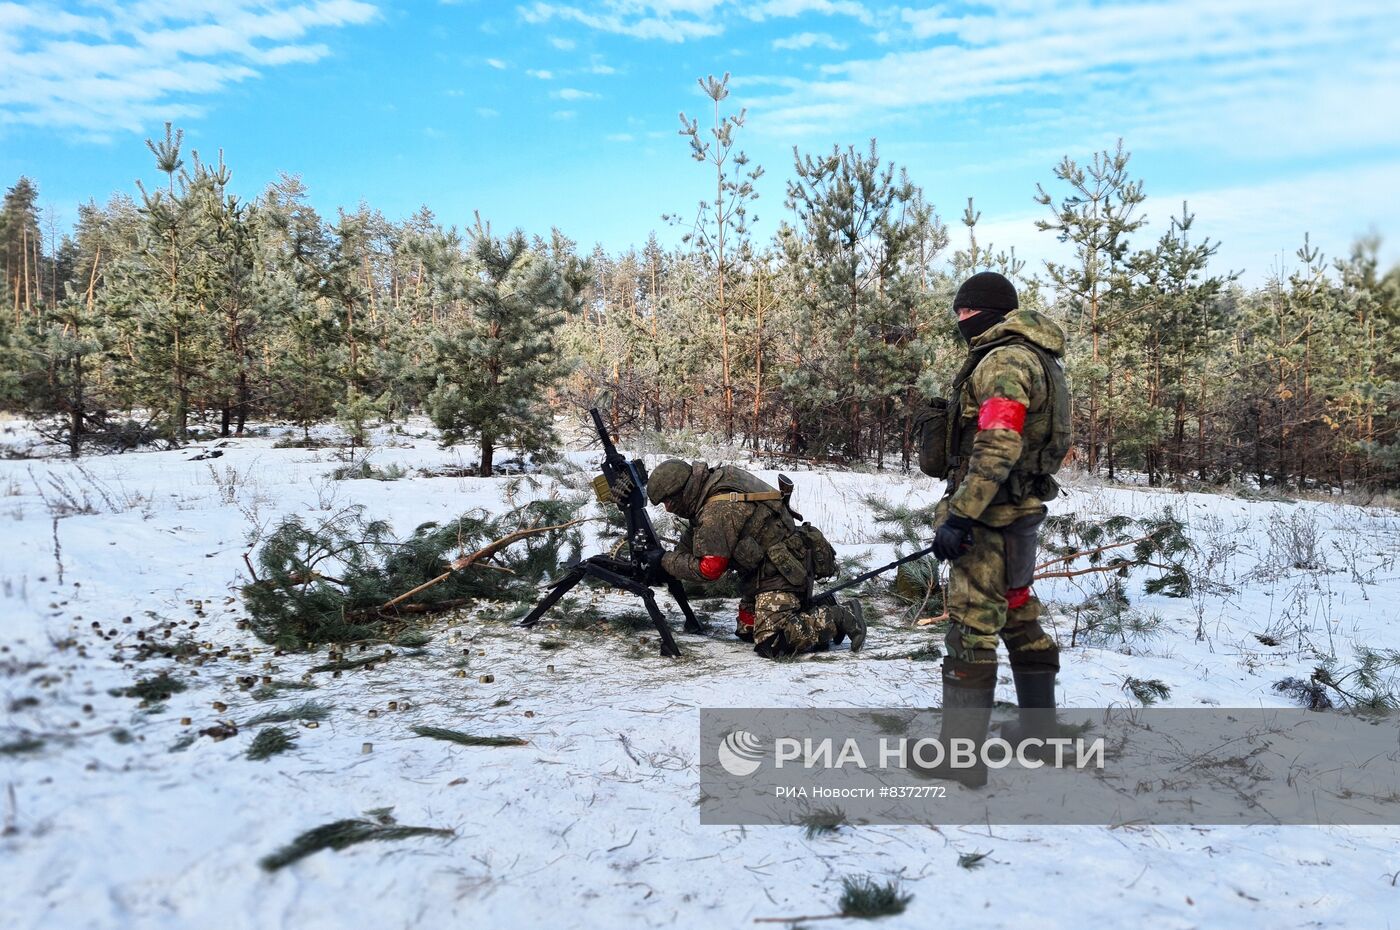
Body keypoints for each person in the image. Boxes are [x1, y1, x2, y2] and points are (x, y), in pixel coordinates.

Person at [917, 271, 1072, 786]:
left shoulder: (1005, 359)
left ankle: (959, 760)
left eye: (965, 311)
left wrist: (962, 513)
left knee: (971, 625)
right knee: (1019, 612)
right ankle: (1040, 737)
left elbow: (1000, 441)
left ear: (987, 311)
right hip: (1021, 511)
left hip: (990, 519)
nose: (960, 320)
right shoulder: (1042, 357)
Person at [642, 459, 865, 658]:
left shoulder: (717, 511)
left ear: (683, 491)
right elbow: (693, 538)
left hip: (782, 571)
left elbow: (709, 569)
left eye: (669, 502)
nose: (669, 509)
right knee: (747, 628)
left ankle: (840, 617)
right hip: (767, 568)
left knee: (771, 641)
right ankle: (815, 607)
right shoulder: (716, 481)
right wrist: (669, 560)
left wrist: (664, 561)